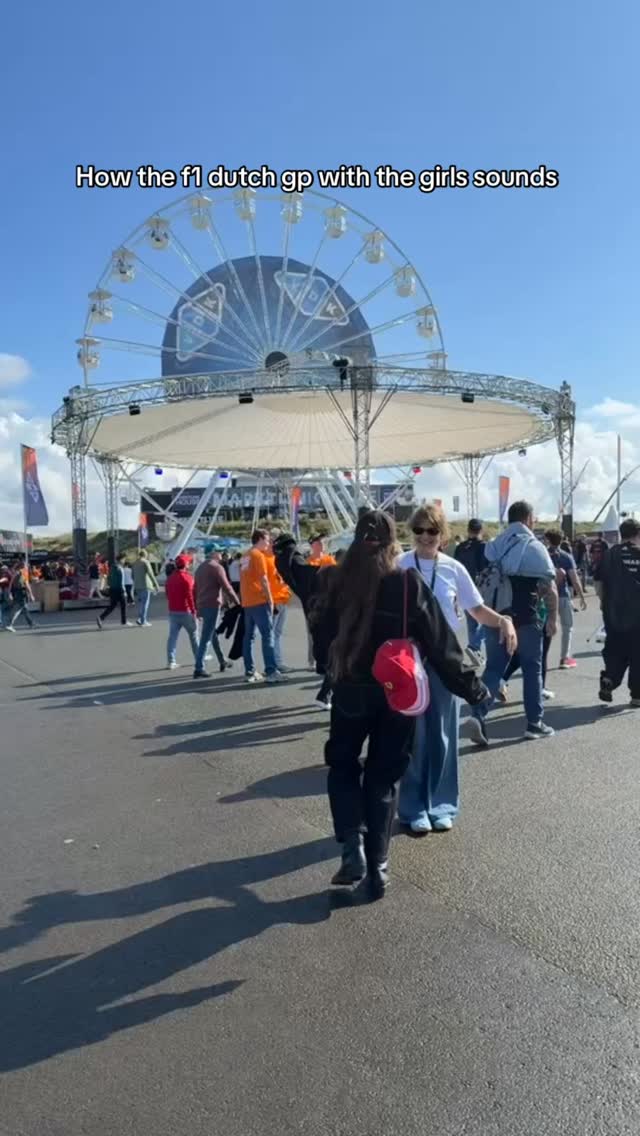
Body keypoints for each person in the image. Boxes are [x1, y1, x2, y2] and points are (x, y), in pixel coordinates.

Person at [312, 510, 487, 901]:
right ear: (394, 544)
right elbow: (442, 645)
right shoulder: (407, 584)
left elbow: (321, 641)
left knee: (342, 766)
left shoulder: (334, 582)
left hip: (351, 691)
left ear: (357, 541)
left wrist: (334, 668)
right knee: (383, 777)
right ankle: (378, 865)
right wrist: (474, 689)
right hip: (396, 692)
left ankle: (351, 848)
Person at [397, 504, 517, 832]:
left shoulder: (453, 568)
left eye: (431, 531)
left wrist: (503, 620)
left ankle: (442, 804)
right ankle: (412, 808)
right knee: (415, 736)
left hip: (445, 661)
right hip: (409, 662)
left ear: (443, 536)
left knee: (444, 734)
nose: (424, 536)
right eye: (419, 530)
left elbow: (476, 609)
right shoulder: (400, 566)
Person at [468, 500, 558, 745]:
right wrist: (552, 616)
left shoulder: (495, 545)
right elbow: (549, 587)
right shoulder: (534, 547)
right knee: (532, 668)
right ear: (529, 519)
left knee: (495, 668)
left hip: (496, 615)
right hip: (526, 616)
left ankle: (478, 714)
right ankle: (534, 723)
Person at [595, 518, 640, 707]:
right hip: (637, 613)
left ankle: (610, 679)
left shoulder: (609, 555)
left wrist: (603, 603)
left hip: (613, 612)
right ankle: (637, 695)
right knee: (637, 653)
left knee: (614, 649)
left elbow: (598, 583)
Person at [240, 529, 280, 684]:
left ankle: (249, 671)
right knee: (267, 635)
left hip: (247, 601)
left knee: (248, 637)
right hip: (259, 600)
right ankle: (271, 671)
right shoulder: (258, 555)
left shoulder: (245, 555)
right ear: (261, 539)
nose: (269, 543)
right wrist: (270, 599)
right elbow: (263, 579)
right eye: (268, 540)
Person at [544, 529, 587, 668]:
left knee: (546, 628)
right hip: (562, 595)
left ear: (548, 540)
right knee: (567, 627)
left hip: (545, 596)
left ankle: (542, 657)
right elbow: (574, 579)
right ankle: (564, 658)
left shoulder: (543, 554)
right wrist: (581, 596)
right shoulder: (566, 556)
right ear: (561, 540)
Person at [193, 548, 238, 677]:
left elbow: (195, 588)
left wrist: (197, 605)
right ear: (213, 553)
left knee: (212, 634)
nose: (221, 555)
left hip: (202, 604)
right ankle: (199, 667)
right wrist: (237, 601)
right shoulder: (216, 567)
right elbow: (227, 586)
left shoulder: (200, 568)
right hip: (212, 604)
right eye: (218, 552)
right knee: (206, 637)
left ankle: (222, 660)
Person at [454, 519, 488, 657]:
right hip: (482, 586)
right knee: (489, 620)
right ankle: (474, 646)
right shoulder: (484, 546)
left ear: (468, 530)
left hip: (464, 587)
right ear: (481, 530)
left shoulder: (460, 547)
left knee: (471, 621)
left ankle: (475, 652)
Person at [165, 554, 199, 670]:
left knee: (172, 637)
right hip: (186, 611)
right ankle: (199, 657)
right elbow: (190, 597)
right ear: (186, 565)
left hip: (173, 611)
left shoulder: (170, 578)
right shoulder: (188, 578)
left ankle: (171, 661)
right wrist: (194, 612)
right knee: (194, 636)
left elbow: (167, 595)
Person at [265, 545, 293, 673]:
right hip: (275, 601)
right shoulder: (265, 559)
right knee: (272, 634)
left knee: (277, 633)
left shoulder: (278, 560)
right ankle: (275, 663)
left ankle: (277, 662)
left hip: (283, 599)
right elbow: (264, 582)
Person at [96, 554, 132, 629]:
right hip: (119, 589)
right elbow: (121, 581)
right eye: (124, 559)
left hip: (112, 589)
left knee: (112, 605)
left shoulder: (112, 567)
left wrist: (110, 585)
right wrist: (124, 590)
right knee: (124, 605)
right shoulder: (120, 569)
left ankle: (101, 617)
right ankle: (124, 621)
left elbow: (108, 578)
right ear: (121, 559)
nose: (124, 561)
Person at [6, 562, 36, 631]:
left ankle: (30, 623)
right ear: (23, 566)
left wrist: (9, 592)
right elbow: (26, 584)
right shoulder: (21, 572)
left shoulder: (18, 572)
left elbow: (11, 583)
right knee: (18, 609)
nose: (27, 566)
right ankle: (9, 624)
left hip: (18, 592)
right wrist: (31, 594)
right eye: (26, 565)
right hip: (21, 593)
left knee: (23, 608)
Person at [132, 549, 158, 627]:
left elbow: (132, 575)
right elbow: (151, 574)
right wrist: (156, 584)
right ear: (145, 555)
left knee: (141, 603)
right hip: (145, 585)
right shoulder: (145, 562)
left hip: (137, 586)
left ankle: (140, 619)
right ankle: (143, 621)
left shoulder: (134, 563)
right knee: (145, 603)